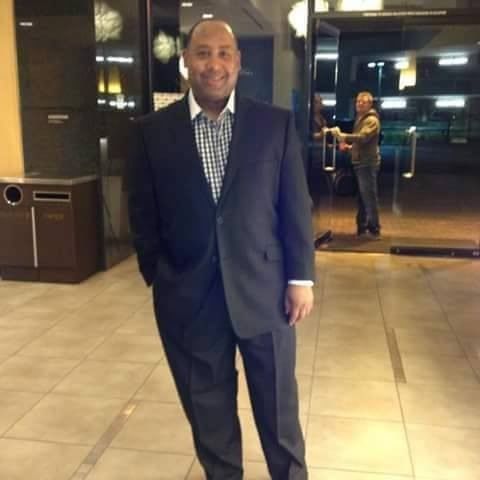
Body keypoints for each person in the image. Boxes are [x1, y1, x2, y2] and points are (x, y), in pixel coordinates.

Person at [128, 19, 315, 480]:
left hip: (266, 292)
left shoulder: (274, 125)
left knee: (279, 411)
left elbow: (295, 206)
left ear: (238, 61)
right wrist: (162, 278)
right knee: (209, 414)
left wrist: (300, 278)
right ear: (186, 61)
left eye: (224, 53)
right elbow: (143, 215)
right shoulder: (151, 132)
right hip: (189, 299)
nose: (214, 64)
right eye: (203, 53)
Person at [332, 91, 382, 238]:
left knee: (368, 197)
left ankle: (373, 228)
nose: (359, 104)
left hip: (366, 163)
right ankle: (363, 227)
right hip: (362, 162)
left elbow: (363, 137)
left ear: (370, 104)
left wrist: (344, 137)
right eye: (358, 101)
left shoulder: (371, 120)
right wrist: (350, 148)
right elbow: (362, 142)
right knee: (364, 196)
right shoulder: (361, 119)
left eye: (363, 102)